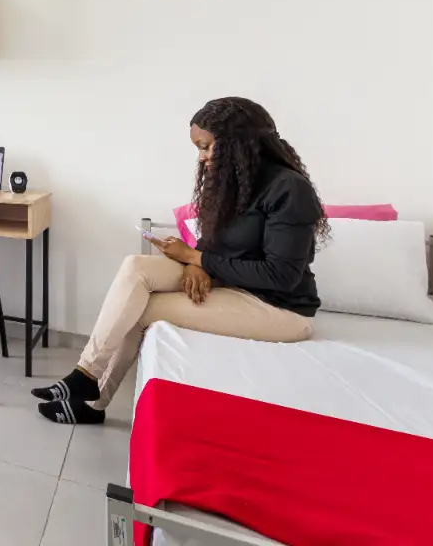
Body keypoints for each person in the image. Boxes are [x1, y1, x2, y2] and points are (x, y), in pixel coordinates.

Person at [34, 97, 328, 424]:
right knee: (136, 267)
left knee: (143, 311)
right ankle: (86, 374)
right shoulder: (234, 182)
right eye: (199, 149)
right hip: (232, 284)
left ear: (238, 143)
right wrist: (194, 265)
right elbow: (213, 241)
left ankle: (92, 403)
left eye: (207, 147)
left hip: (279, 309)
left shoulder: (289, 189)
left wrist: (195, 257)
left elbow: (281, 275)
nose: (201, 157)